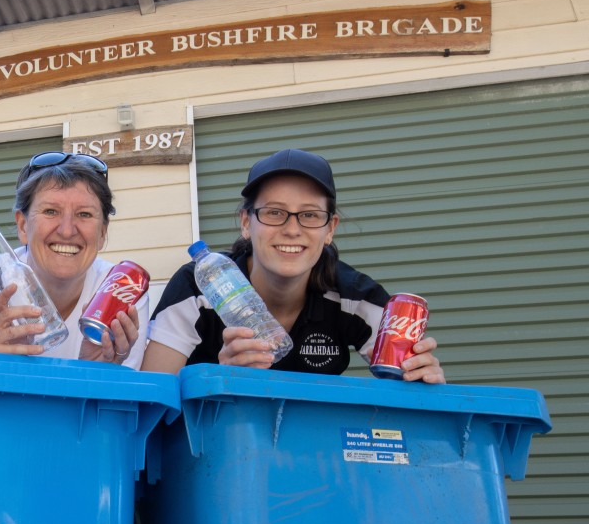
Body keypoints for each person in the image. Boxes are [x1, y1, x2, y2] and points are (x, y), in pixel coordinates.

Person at [141, 148, 445, 382]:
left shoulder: (353, 295)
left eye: (310, 215)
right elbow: (152, 402)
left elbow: (409, 394)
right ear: (246, 223)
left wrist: (422, 376)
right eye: (274, 212)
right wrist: (220, 380)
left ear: (330, 229)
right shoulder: (198, 286)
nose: (292, 229)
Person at [0, 152, 147, 368]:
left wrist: (95, 372)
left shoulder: (122, 289)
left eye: (84, 214)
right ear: (23, 226)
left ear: (102, 234)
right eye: (51, 211)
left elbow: (118, 401)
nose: (66, 230)